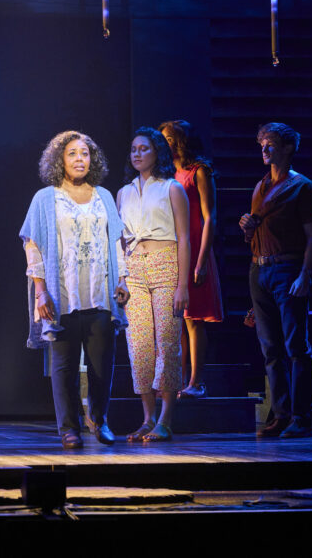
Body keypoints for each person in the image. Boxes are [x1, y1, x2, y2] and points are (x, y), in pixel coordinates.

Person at [20, 131, 129, 449]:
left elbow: (117, 242)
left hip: (99, 292)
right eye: (72, 153)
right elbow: (32, 246)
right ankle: (68, 427)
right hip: (62, 293)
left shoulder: (103, 196)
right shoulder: (45, 198)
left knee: (101, 364)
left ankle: (100, 420)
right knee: (64, 365)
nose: (80, 159)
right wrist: (41, 291)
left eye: (85, 153)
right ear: (60, 160)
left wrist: (122, 279)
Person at [240, 122, 312, 438]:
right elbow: (253, 236)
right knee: (270, 348)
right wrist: (247, 227)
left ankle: (302, 416)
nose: (264, 148)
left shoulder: (302, 187)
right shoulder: (260, 186)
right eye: (261, 143)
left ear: (287, 148)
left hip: (287, 269)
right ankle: (282, 414)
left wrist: (305, 275)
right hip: (259, 269)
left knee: (296, 345)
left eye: (270, 143)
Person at [117, 127, 189, 442]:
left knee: (168, 343)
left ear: (157, 152)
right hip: (133, 267)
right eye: (134, 149)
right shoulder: (124, 192)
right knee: (139, 344)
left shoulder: (172, 188)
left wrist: (183, 285)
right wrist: (121, 278)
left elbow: (184, 238)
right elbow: (119, 241)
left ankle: (166, 419)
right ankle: (147, 418)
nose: (137, 154)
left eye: (144, 148)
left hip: (165, 263)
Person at [159, 120, 224, 399]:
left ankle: (197, 382)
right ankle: (179, 381)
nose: (165, 144)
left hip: (195, 248)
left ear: (181, 140)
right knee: (177, 320)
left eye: (169, 139)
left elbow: (210, 217)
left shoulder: (199, 171)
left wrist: (201, 261)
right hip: (172, 250)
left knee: (193, 319)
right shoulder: (166, 174)